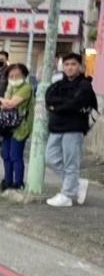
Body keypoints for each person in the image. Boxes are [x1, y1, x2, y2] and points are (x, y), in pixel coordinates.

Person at [44, 53, 99, 207]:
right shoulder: (58, 84)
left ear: (80, 66)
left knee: (71, 162)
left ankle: (67, 195)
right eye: (66, 64)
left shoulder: (85, 85)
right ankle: (77, 183)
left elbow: (75, 103)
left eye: (73, 64)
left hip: (74, 128)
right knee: (50, 158)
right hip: (56, 126)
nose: (69, 67)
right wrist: (62, 105)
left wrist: (59, 107)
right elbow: (49, 99)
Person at [0, 63, 34, 191]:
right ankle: (7, 181)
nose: (14, 78)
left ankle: (18, 183)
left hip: (21, 126)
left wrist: (1, 100)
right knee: (5, 153)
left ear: (24, 75)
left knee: (15, 155)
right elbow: (2, 105)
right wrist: (3, 102)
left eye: (18, 75)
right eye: (11, 76)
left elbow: (10, 104)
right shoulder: (10, 88)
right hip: (8, 125)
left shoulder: (26, 88)